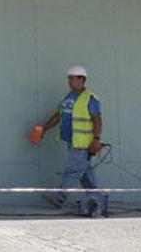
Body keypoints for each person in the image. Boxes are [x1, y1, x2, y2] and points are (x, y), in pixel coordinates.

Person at [35, 65, 108, 218]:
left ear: (82, 80)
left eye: (73, 78)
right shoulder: (68, 97)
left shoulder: (90, 98)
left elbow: (97, 120)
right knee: (84, 173)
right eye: (69, 78)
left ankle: (59, 197)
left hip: (83, 143)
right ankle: (98, 198)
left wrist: (96, 140)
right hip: (71, 141)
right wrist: (45, 128)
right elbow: (59, 115)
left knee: (73, 171)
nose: (70, 81)